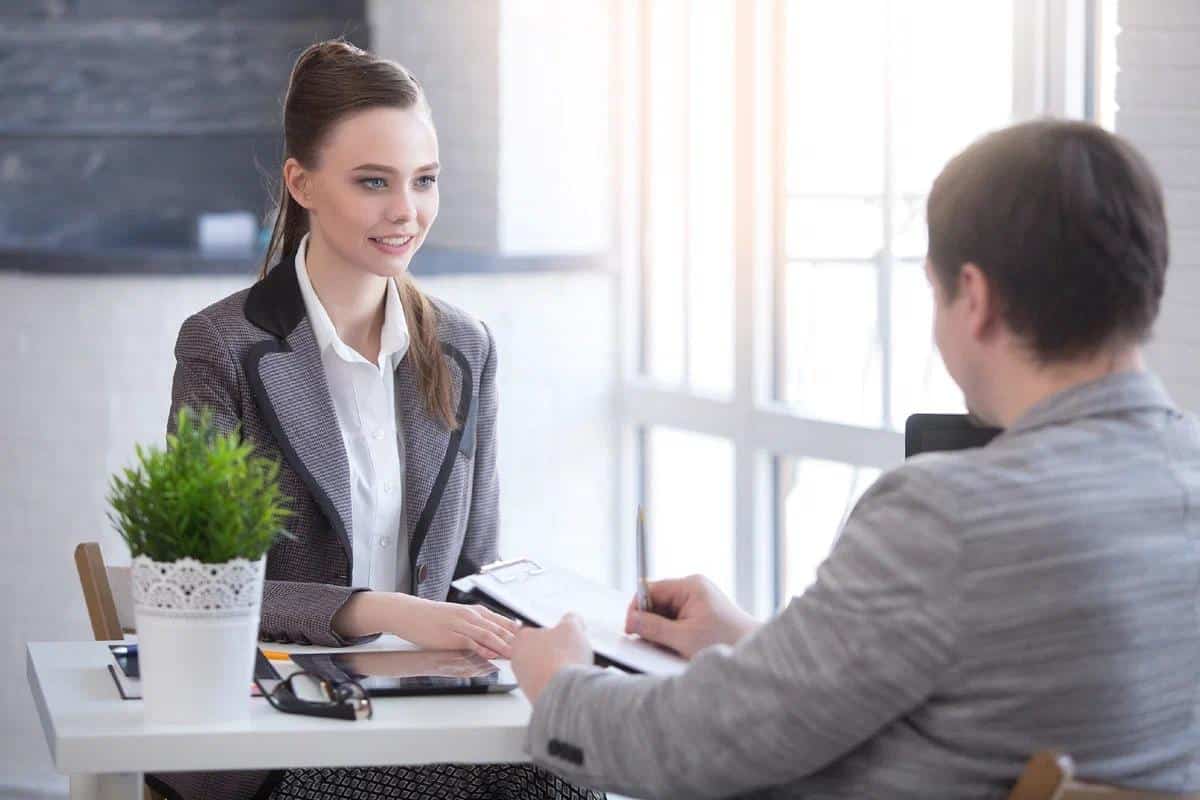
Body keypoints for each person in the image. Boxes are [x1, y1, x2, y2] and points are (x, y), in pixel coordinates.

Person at [511, 119, 1200, 798]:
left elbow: (707, 742)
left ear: (975, 298)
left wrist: (562, 685)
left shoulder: (949, 517)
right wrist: (753, 645)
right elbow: (968, 695)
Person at [156, 39, 600, 800]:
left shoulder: (465, 348)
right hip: (280, 728)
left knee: (572, 764)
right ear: (301, 183)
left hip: (434, 709)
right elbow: (198, 589)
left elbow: (476, 572)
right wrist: (379, 611)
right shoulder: (220, 346)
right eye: (373, 182)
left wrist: (543, 629)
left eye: (424, 181)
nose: (406, 211)